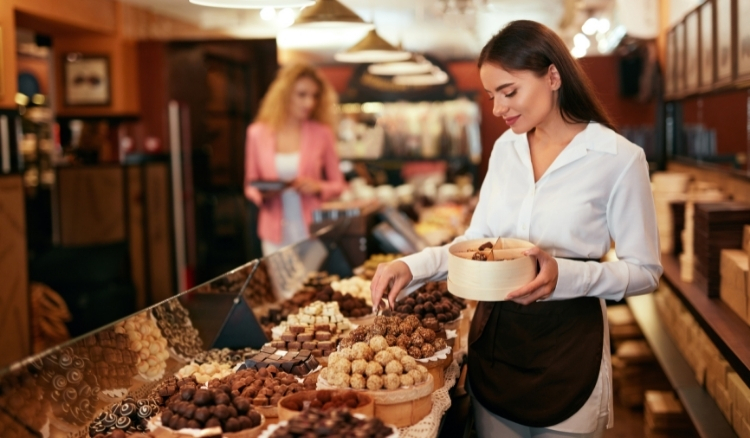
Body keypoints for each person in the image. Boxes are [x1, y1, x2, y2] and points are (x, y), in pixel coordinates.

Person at [370, 20, 662, 438]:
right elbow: (476, 243)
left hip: (569, 348)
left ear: (553, 76)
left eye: (509, 92)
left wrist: (565, 274)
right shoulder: (506, 148)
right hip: (497, 343)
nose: (497, 109)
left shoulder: (618, 158)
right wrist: (412, 267)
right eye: (492, 96)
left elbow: (645, 271)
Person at [244, 63, 346, 256]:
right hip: (273, 232)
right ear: (284, 95)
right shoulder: (257, 134)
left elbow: (339, 185)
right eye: (302, 95)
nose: (309, 103)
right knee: (282, 286)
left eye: (314, 96)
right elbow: (250, 184)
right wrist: (263, 194)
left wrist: (317, 187)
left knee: (311, 285)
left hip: (311, 231)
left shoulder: (321, 133)